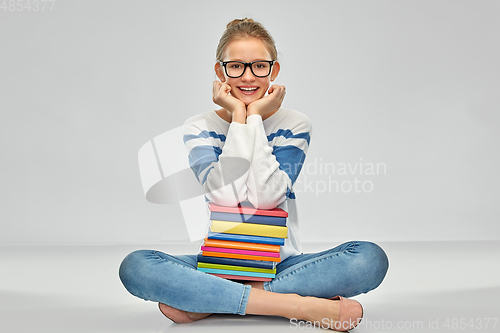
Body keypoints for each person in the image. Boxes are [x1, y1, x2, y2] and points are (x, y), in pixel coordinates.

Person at [119, 18, 389, 331]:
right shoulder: (199, 127)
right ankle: (296, 305)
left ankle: (208, 301)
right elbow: (225, 195)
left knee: (368, 259)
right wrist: (238, 116)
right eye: (236, 66)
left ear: (274, 71)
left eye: (259, 66)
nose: (248, 76)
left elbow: (267, 196)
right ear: (220, 71)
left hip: (283, 264)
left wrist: (255, 118)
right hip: (218, 264)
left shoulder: (296, 124)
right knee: (137, 267)